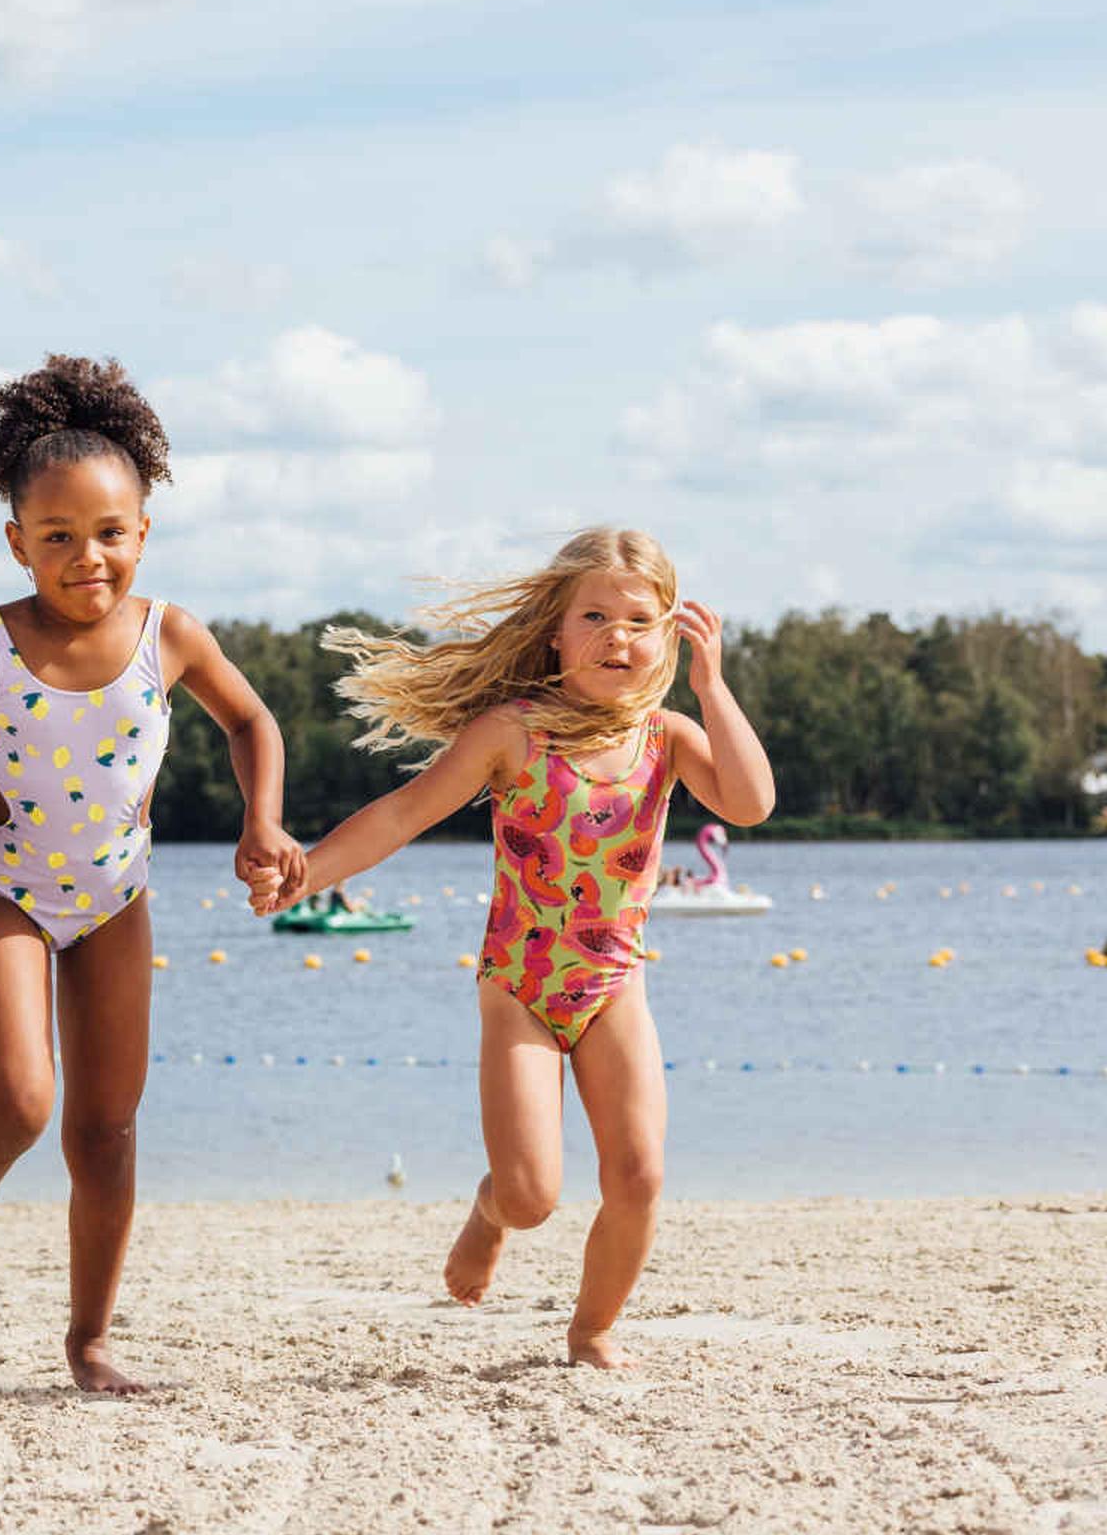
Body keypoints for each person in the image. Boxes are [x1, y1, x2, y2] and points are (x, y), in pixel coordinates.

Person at [254, 527, 775, 1369]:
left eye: (639, 621)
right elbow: (403, 814)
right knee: (531, 1196)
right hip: (521, 989)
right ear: (555, 634)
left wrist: (713, 687)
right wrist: (306, 875)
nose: (616, 636)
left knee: (639, 1177)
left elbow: (750, 805)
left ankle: (591, 1330)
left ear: (668, 637)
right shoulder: (511, 732)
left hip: (614, 988)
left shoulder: (668, 738)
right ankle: (489, 1212)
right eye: (594, 617)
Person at [0, 355, 303, 1393]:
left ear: (144, 532)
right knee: (20, 1105)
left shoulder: (171, 636)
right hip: (6, 892)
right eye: (58, 537)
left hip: (117, 903)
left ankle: (88, 1340)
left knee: (107, 1130)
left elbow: (252, 721)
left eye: (111, 533)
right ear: (17, 542)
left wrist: (261, 818)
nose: (89, 558)